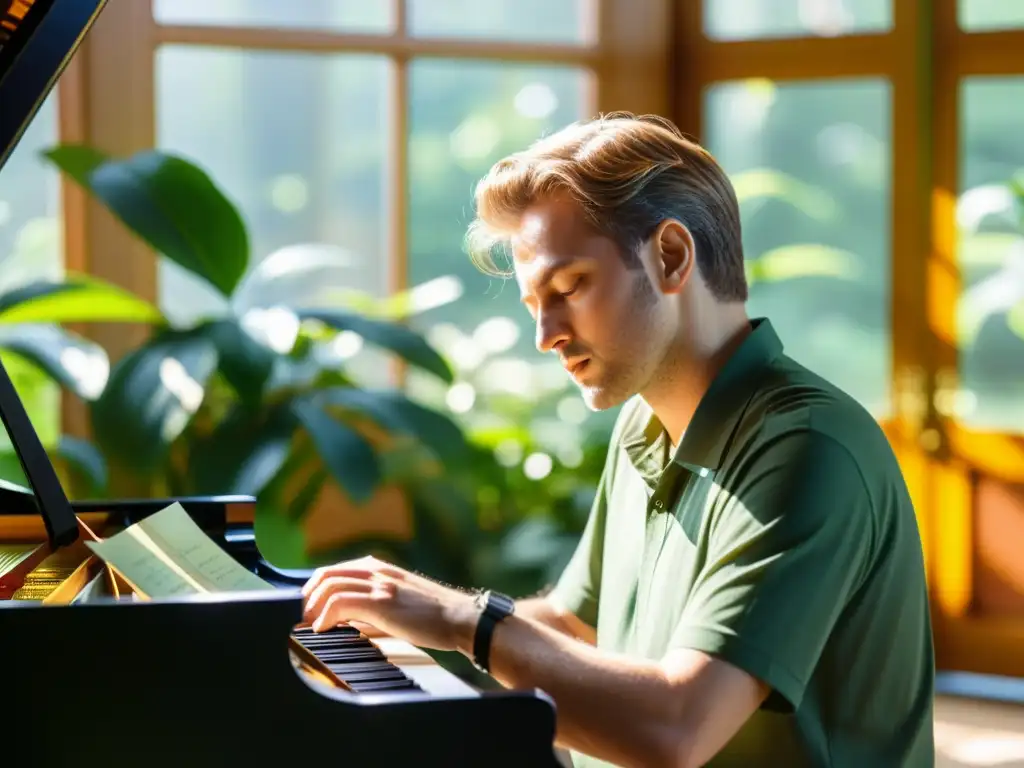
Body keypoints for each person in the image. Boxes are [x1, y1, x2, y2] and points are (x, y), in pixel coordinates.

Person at [301, 112, 936, 767]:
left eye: (569, 286)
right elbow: (576, 624)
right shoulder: (645, 424)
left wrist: (463, 623)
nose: (545, 334)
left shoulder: (808, 448)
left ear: (670, 256)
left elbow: (675, 730)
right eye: (533, 304)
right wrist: (403, 620)